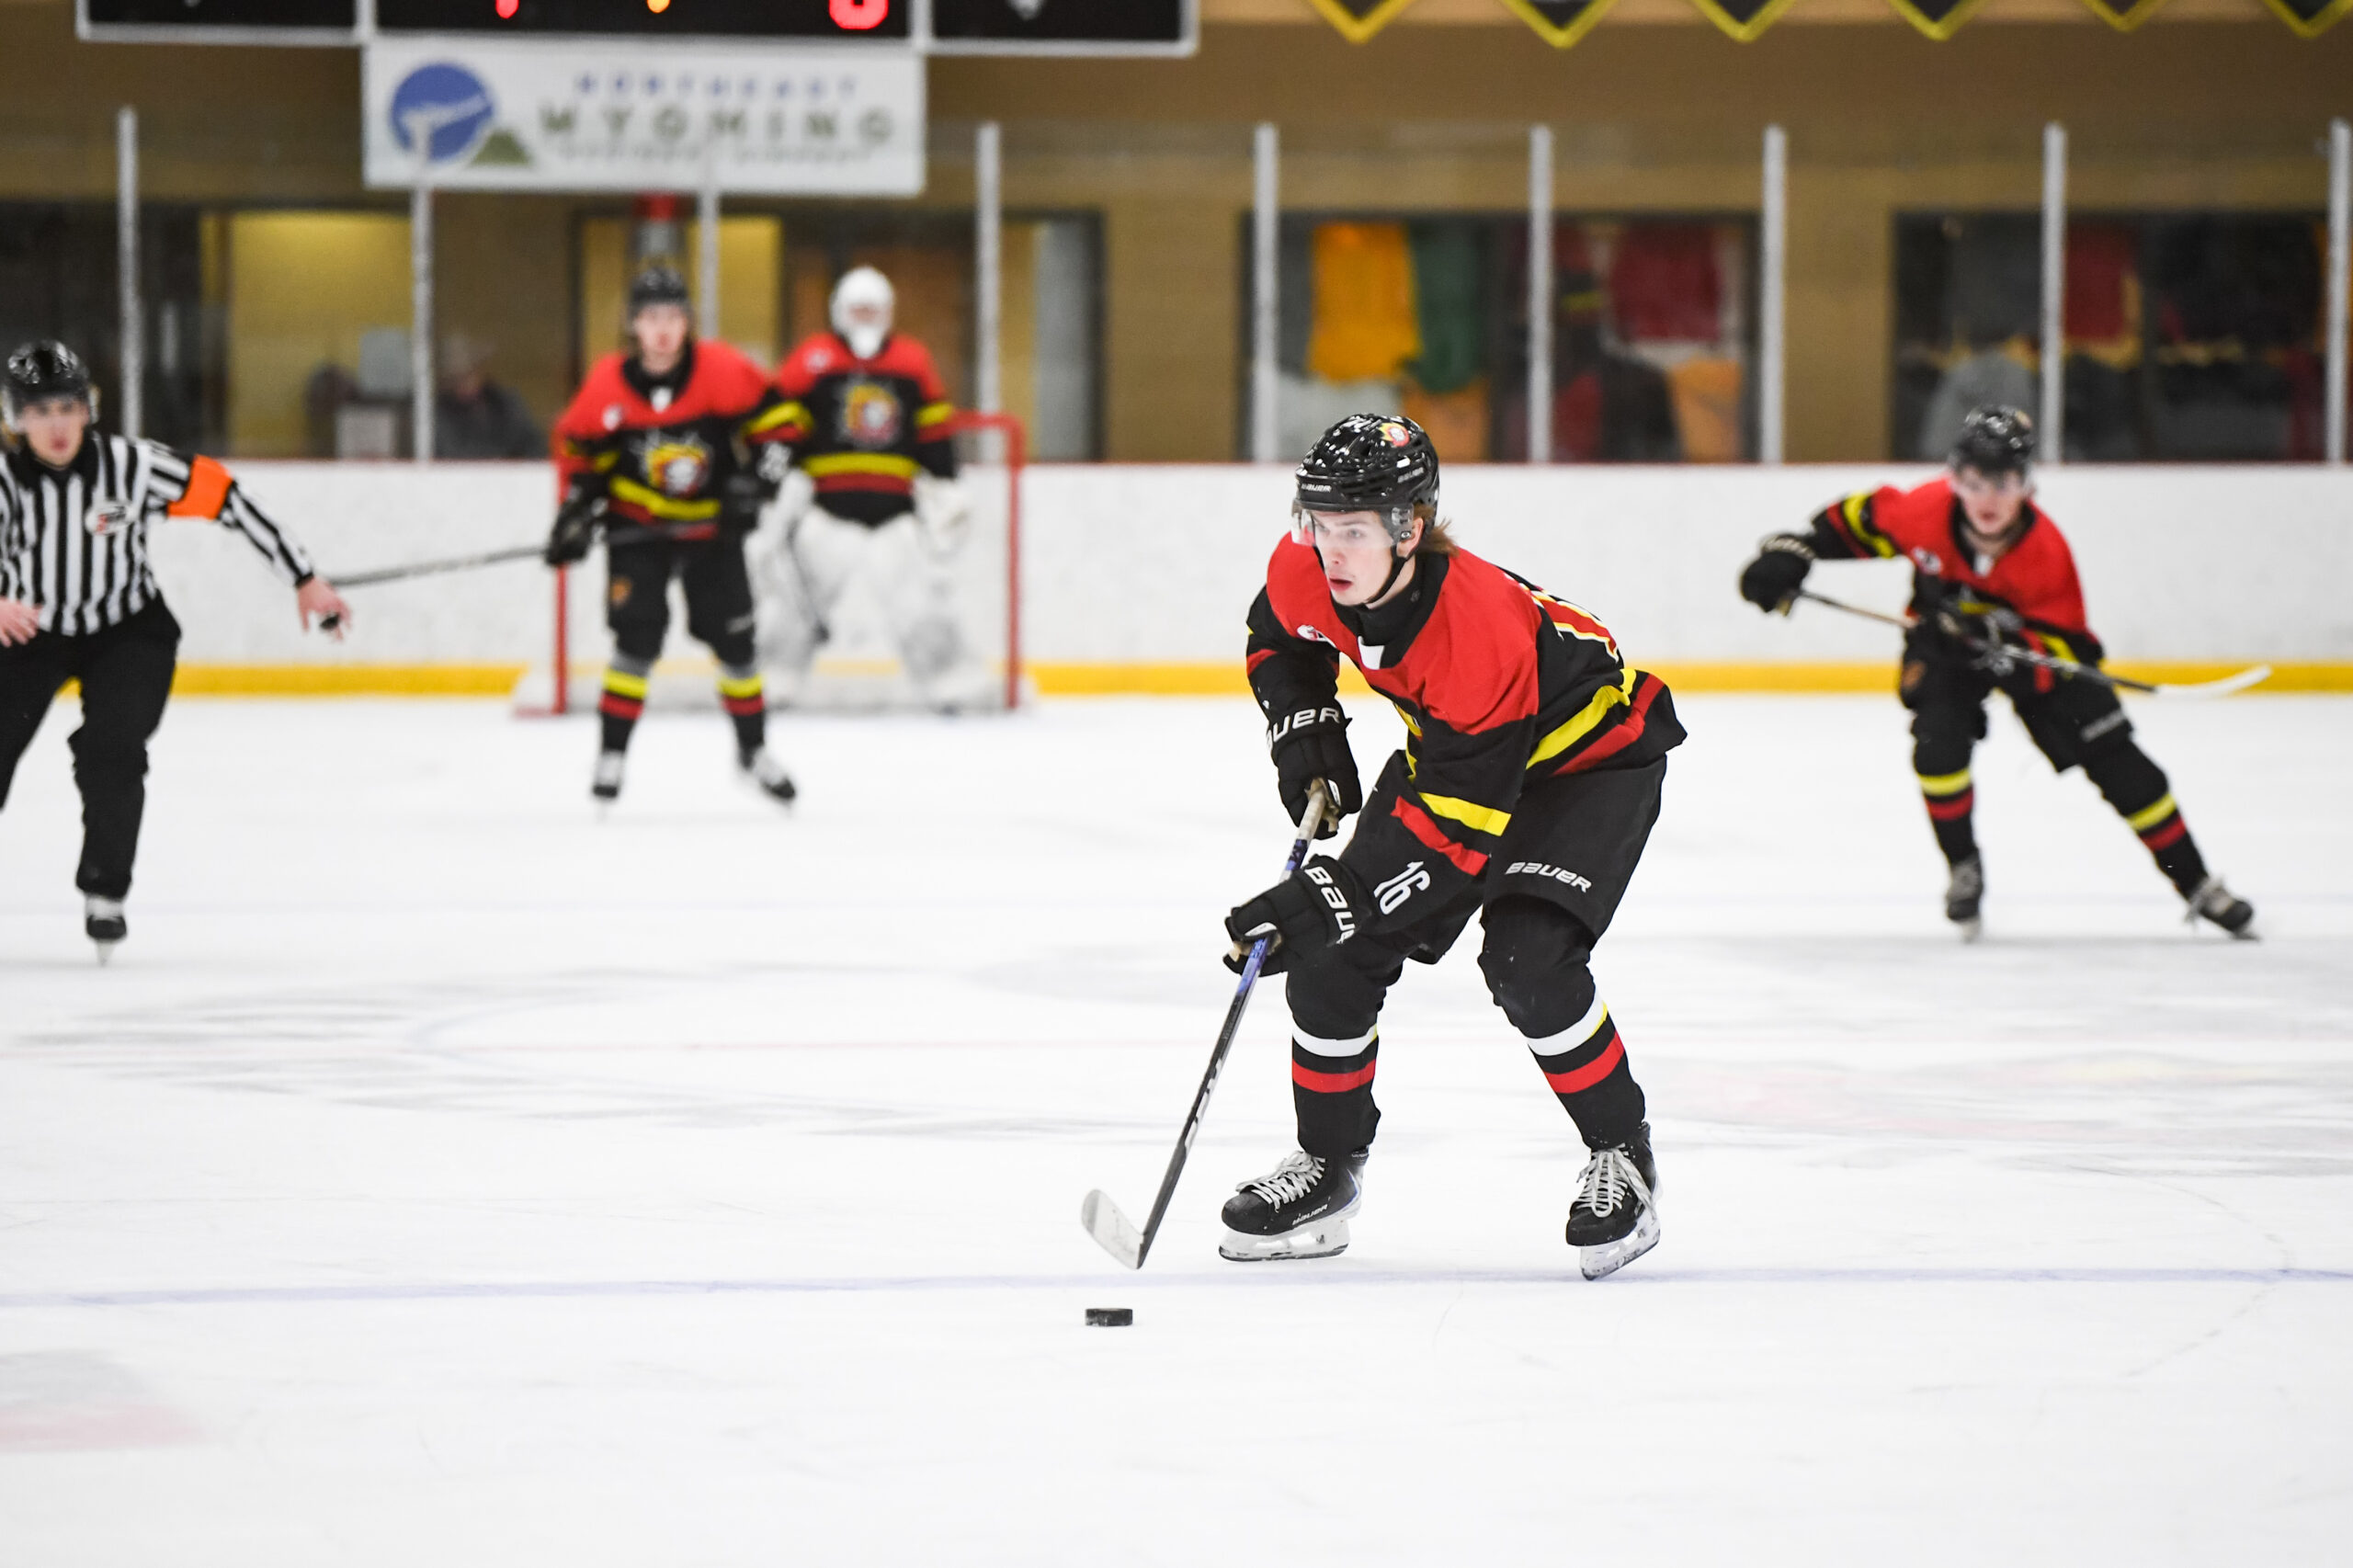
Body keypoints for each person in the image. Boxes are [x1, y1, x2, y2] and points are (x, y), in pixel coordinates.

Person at [1220, 414, 1687, 1279]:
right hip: (1461, 757)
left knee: (1528, 962)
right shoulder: (1305, 567)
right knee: (1335, 957)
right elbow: (1278, 638)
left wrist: (1333, 896)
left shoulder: (1477, 628)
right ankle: (1328, 1168)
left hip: (1586, 768)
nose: (1329, 551)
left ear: (1410, 528)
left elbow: (1460, 836)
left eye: (1354, 531)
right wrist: (1305, 725)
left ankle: (1624, 1154)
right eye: (1318, 523)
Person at [1737, 404, 2256, 939]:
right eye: (1974, 481)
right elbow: (1850, 524)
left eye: (2004, 482)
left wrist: (2006, 650)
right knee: (1937, 750)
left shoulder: (2046, 555)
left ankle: (2196, 883)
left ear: (2027, 485)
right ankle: (1964, 867)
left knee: (2124, 768)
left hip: (2027, 658)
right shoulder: (1923, 511)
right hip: (1945, 646)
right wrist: (1791, 553)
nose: (1988, 499)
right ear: (1954, 478)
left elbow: (2066, 650)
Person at [0, 340, 351, 960]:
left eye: (68, 407)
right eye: (41, 411)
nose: (57, 425)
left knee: (112, 752)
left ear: (88, 409)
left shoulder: (133, 467)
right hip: (28, 634)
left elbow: (228, 498)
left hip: (127, 632)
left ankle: (105, 888)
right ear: (16, 418)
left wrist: (303, 577)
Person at [546, 266, 797, 806]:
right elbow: (583, 455)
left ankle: (753, 752)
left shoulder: (723, 369)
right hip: (639, 531)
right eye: (651, 317)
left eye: (673, 316)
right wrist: (575, 512)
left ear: (688, 322)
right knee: (636, 641)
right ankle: (612, 754)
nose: (662, 329)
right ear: (633, 324)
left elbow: (781, 424)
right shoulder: (607, 383)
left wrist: (758, 484)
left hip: (711, 532)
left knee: (737, 645)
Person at [753, 267, 994, 710]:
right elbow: (780, 424)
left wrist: (947, 483)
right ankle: (771, 683)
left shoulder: (911, 361)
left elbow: (933, 428)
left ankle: (953, 686)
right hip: (826, 513)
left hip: (895, 516)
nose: (865, 317)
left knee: (922, 604)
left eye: (872, 309)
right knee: (794, 605)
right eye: (857, 309)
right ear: (839, 312)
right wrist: (768, 482)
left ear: (887, 312)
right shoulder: (813, 358)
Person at [434, 334, 544, 460]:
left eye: (470, 373)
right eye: (457, 378)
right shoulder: (441, 414)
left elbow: (532, 445)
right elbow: (450, 453)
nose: (466, 382)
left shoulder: (505, 403)